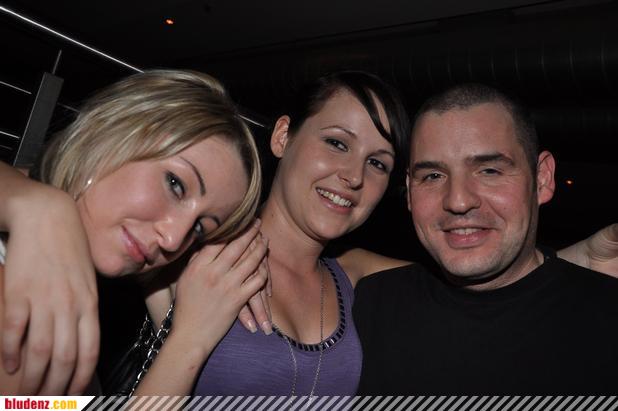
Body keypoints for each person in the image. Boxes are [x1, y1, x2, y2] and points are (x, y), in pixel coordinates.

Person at [2, 72, 617, 395]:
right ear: (283, 136)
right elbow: (76, 194)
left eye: (378, 163)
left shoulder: (355, 274)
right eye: (336, 143)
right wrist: (40, 205)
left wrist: (575, 261)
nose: (352, 175)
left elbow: (474, 275)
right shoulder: (195, 244)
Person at [0, 69, 268, 394]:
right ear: (113, 133)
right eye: (175, 184)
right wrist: (190, 342)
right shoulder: (24, 300)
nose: (174, 239)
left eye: (199, 228)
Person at [353, 83, 618, 394]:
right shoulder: (363, 309)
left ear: (542, 179)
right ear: (410, 191)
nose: (458, 201)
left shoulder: (607, 318)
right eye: (433, 176)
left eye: (489, 170)